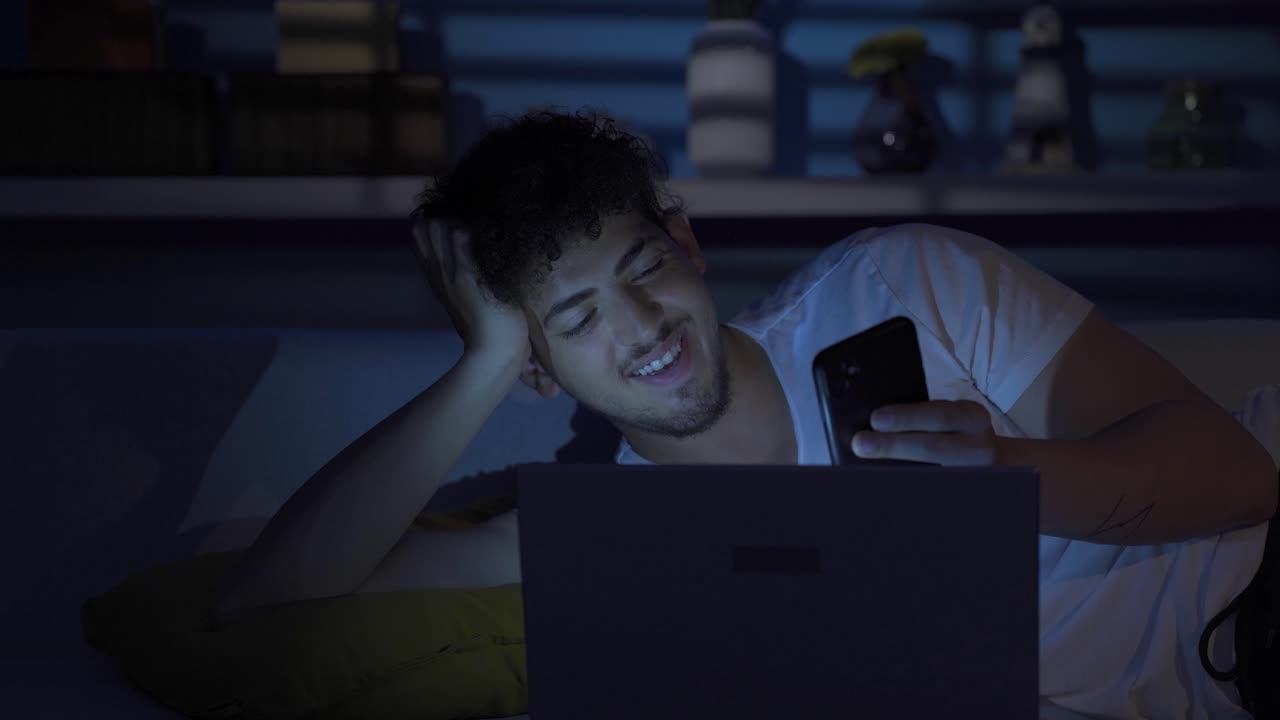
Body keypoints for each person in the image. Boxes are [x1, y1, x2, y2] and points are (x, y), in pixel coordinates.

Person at [212, 109, 1279, 719]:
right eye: (575, 318)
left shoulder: (900, 281)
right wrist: (484, 358)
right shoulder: (617, 540)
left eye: (641, 270)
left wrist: (1010, 476)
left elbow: (1234, 473)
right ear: (537, 370)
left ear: (685, 247)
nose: (642, 329)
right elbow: (269, 600)